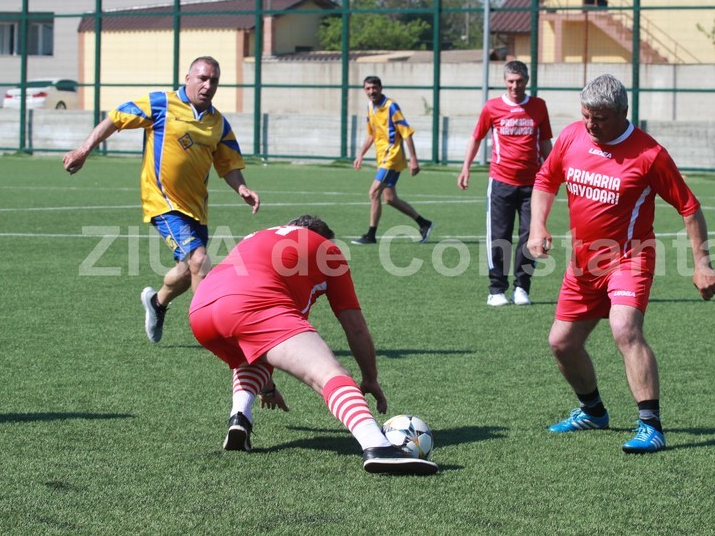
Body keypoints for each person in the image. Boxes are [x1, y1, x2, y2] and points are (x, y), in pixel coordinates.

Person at [527, 74, 715, 454]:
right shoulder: (570, 137)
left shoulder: (649, 154)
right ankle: (593, 411)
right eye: (586, 115)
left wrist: (703, 263)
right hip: (583, 264)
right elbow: (546, 181)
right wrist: (537, 225)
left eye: (599, 117)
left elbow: (689, 207)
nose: (591, 124)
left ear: (622, 112)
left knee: (624, 329)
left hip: (629, 259)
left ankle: (651, 426)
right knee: (562, 344)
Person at [188, 215, 438, 475]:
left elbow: (254, 335)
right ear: (321, 236)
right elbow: (355, 327)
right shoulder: (327, 249)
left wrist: (268, 388)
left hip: (201, 311)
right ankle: (377, 445)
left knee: (252, 353)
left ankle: (240, 416)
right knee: (331, 374)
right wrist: (370, 377)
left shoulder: (256, 236)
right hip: (252, 303)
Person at [62, 56, 260, 344]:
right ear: (188, 78)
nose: (207, 85)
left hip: (196, 208)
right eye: (202, 78)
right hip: (163, 202)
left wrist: (242, 188)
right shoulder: (161, 103)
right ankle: (214, 332)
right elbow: (115, 118)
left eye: (213, 80)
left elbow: (228, 164)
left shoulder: (218, 123)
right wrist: (83, 150)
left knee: (185, 270)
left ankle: (157, 303)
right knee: (200, 260)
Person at [458, 61, 553, 307]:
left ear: (527, 80)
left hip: (532, 185)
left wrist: (553, 170)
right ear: (504, 81)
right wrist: (466, 167)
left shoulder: (538, 106)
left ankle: (522, 288)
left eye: (519, 81)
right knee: (499, 236)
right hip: (501, 182)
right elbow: (476, 137)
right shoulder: (492, 107)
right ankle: (496, 289)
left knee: (529, 236)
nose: (515, 86)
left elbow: (545, 143)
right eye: (511, 81)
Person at [352, 76, 433, 245]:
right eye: (367, 88)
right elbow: (371, 134)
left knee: (374, 192)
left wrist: (414, 160)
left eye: (374, 87)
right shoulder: (370, 107)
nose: (371, 91)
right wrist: (360, 154)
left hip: (392, 156)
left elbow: (406, 133)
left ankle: (371, 235)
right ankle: (424, 223)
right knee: (389, 199)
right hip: (382, 157)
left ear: (381, 88)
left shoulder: (391, 106)